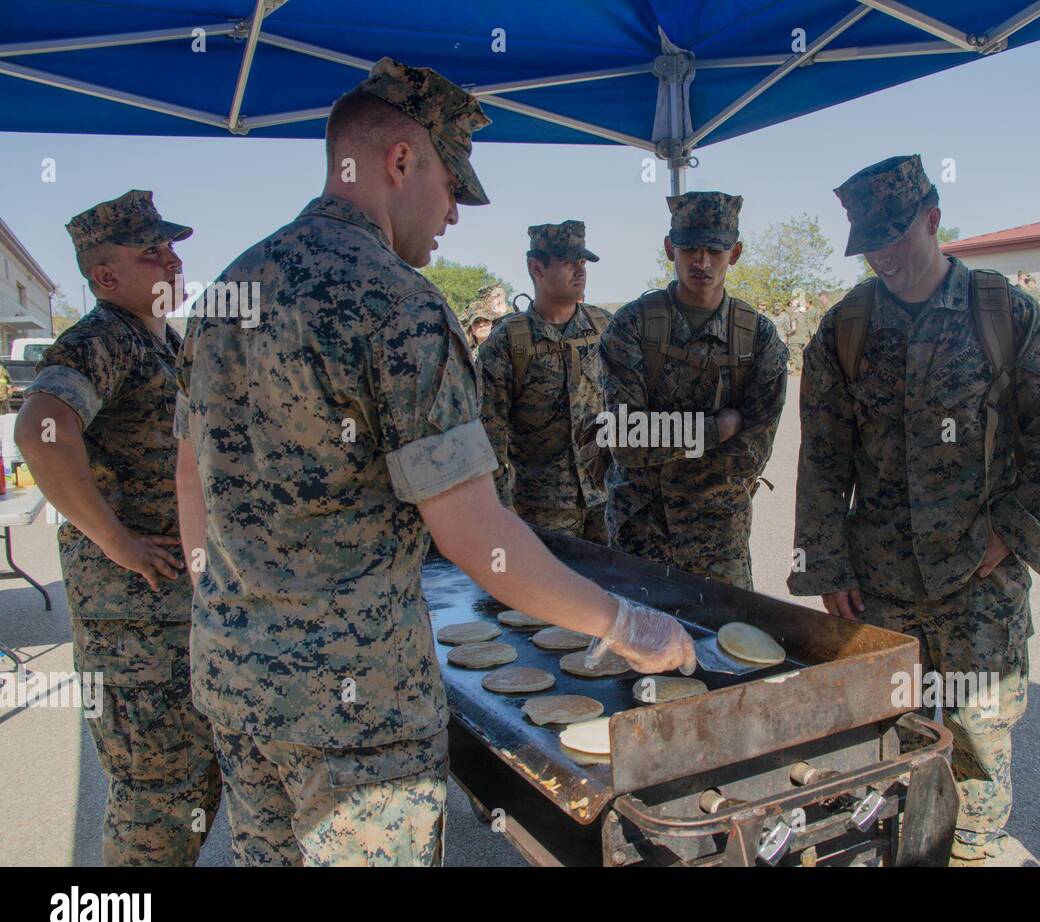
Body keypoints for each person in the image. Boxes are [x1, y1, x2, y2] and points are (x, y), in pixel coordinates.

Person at [173, 58, 694, 867]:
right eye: (453, 183)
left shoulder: (226, 291)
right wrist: (621, 623)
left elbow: (188, 470)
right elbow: (476, 536)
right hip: (355, 713)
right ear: (401, 161)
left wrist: (222, 595)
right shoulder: (397, 303)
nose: (454, 213)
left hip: (236, 681)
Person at [791, 155, 1040, 864]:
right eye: (871, 243)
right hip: (880, 583)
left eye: (896, 236)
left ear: (932, 218)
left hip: (979, 585)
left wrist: (1014, 534)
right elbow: (822, 461)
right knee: (881, 741)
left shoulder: (1004, 314)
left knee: (978, 749)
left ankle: (971, 853)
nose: (885, 256)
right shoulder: (845, 330)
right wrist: (824, 567)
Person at [15, 190, 221, 865]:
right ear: (106, 277)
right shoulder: (100, 340)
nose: (173, 259)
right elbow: (41, 429)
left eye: (172, 246)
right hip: (134, 625)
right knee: (154, 803)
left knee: (190, 786)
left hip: (175, 614)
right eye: (152, 251)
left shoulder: (159, 341)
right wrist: (113, 540)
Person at [600, 192, 788, 589]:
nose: (702, 262)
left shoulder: (757, 336)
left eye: (715, 250)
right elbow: (625, 441)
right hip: (641, 535)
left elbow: (751, 454)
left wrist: (665, 445)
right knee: (637, 649)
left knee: (729, 647)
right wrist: (715, 430)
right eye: (690, 249)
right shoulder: (632, 326)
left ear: (734, 253)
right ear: (671, 248)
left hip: (720, 542)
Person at [476, 221, 611, 543]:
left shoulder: (607, 329)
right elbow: (487, 437)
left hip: (606, 502)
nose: (580, 272)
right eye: (568, 263)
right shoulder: (507, 343)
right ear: (536, 267)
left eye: (582, 263)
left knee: (614, 594)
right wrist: (498, 508)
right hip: (541, 512)